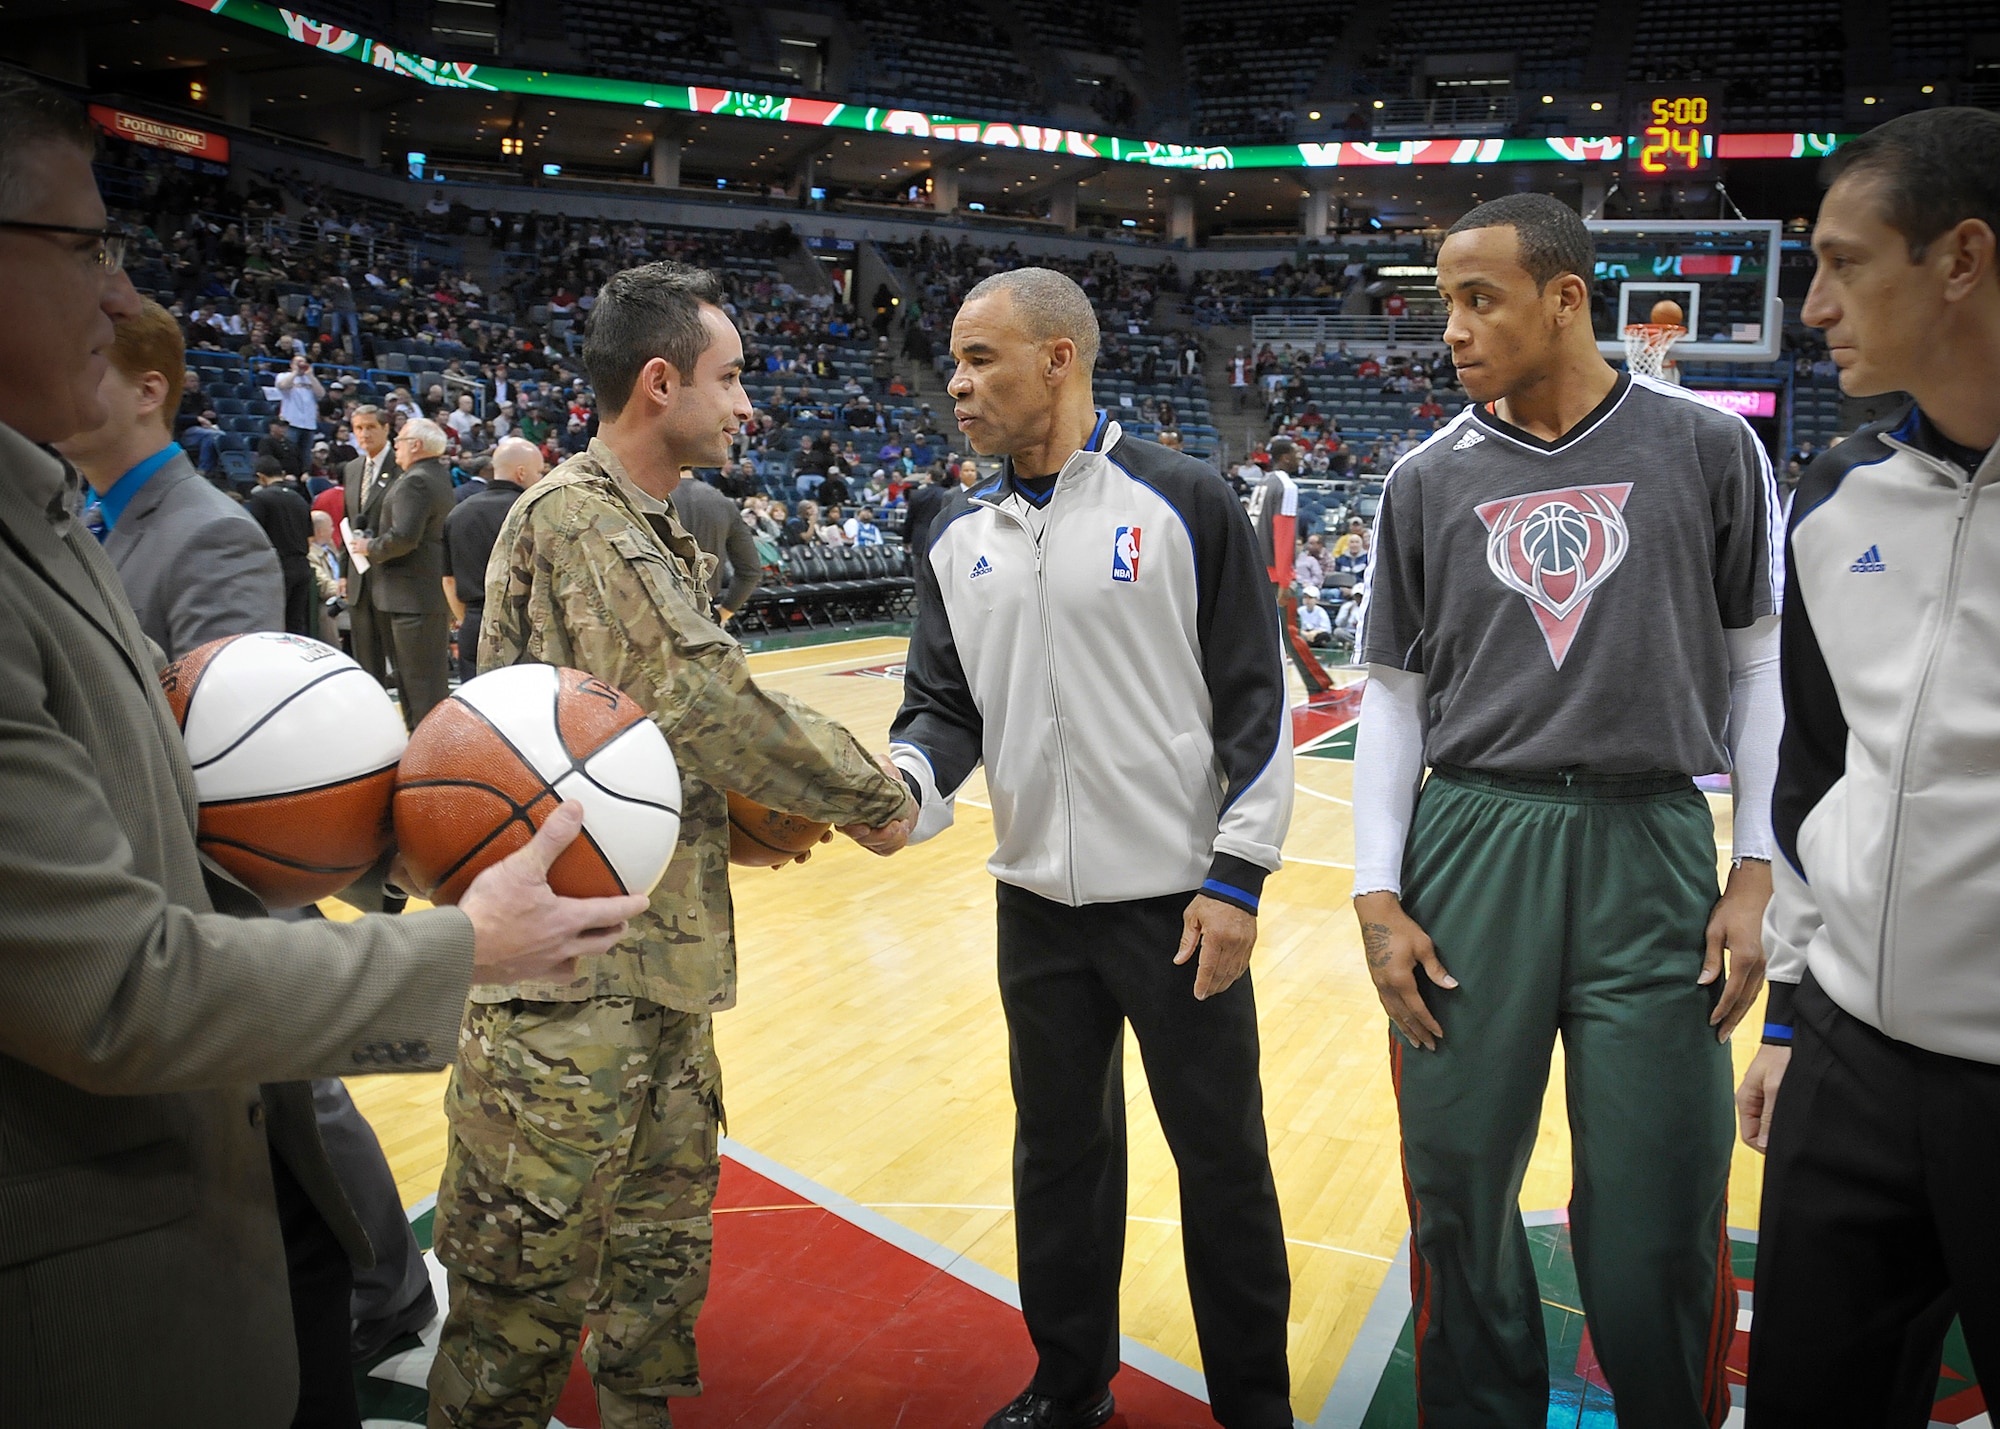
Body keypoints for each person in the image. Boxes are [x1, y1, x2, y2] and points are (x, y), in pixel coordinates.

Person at [0, 72, 650, 1428]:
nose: (122, 295)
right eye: (89, 246)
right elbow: (113, 978)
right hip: (89, 1291)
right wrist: (466, 938)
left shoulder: (51, 514)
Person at [431, 260, 917, 1429]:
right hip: (565, 997)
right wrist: (877, 794)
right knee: (518, 1314)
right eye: (730, 377)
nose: (749, 404)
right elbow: (700, 698)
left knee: (653, 1291)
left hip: (655, 974)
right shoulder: (578, 520)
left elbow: (648, 739)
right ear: (659, 383)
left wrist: (735, 823)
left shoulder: (651, 531)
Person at [1350, 193, 1782, 1428]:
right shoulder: (1422, 478)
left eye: (1477, 298)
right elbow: (1391, 698)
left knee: (1660, 1193)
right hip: (1470, 842)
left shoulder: (1704, 446)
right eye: (1442, 301)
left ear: (1564, 297)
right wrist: (1375, 895)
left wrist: (1752, 872)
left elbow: (1757, 668)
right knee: (1456, 1184)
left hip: (1650, 839)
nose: (1451, 328)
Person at [886, 268, 1296, 1429]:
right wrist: (904, 785)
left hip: (1178, 904)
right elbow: (940, 706)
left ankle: (1253, 1408)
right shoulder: (954, 529)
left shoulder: (1181, 499)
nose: (955, 386)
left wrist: (1237, 878)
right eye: (952, 363)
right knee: (1056, 1160)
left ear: (1059, 360)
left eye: (980, 360)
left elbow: (1253, 707)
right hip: (1034, 906)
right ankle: (1069, 1387)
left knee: (1221, 1167)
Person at [1736, 108, 2000, 1427]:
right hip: (1848, 1058)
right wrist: (1789, 1013)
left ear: (1960, 260)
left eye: (1845, 264)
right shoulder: (1836, 496)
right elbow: (1812, 776)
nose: (1817, 303)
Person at [53, 295, 282, 657]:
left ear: (147, 392)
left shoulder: (218, 537)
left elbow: (221, 711)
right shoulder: (72, 516)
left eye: (75, 370)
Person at [346, 414, 453, 730]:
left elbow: (404, 537)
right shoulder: (436, 475)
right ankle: (424, 747)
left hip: (411, 597)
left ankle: (430, 754)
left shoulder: (415, 480)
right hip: (417, 596)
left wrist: (370, 547)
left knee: (419, 684)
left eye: (400, 441)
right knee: (420, 682)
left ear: (416, 445)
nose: (395, 447)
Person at [441, 435, 543, 684]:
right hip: (526, 628)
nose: (542, 479)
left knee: (478, 714)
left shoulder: (458, 512)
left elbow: (449, 582)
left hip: (474, 626)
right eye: (539, 472)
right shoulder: (535, 511)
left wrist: (471, 621)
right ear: (521, 473)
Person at [669, 467, 762, 626]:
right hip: (703, 614)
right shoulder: (722, 501)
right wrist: (722, 614)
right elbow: (751, 570)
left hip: (655, 610)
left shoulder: (645, 497)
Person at [246, 454, 316, 636]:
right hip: (303, 566)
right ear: (282, 474)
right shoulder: (300, 499)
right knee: (296, 626)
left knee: (272, 626)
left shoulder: (261, 499)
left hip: (277, 567)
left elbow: (254, 537)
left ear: (260, 477)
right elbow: (310, 538)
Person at [1247, 437, 1299, 598]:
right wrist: (1285, 580)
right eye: (1296, 454)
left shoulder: (1264, 481)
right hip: (1273, 575)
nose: (1300, 458)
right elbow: (1283, 535)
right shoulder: (1287, 486)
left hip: (1253, 567)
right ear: (1286, 457)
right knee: (1282, 623)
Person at [901, 460, 962, 556]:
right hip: (941, 540)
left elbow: (910, 520)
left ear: (929, 476)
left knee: (918, 570)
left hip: (920, 540)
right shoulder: (948, 495)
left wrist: (906, 540)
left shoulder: (916, 494)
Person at [275, 353, 324, 474]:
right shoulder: (284, 376)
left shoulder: (310, 379)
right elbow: (282, 386)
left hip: (308, 423)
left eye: (303, 362)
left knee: (305, 454)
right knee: (289, 452)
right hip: (291, 421)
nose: (301, 364)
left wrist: (311, 375)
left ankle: (303, 476)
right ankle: (288, 474)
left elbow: (321, 394)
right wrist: (295, 372)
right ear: (291, 364)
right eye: (298, 362)